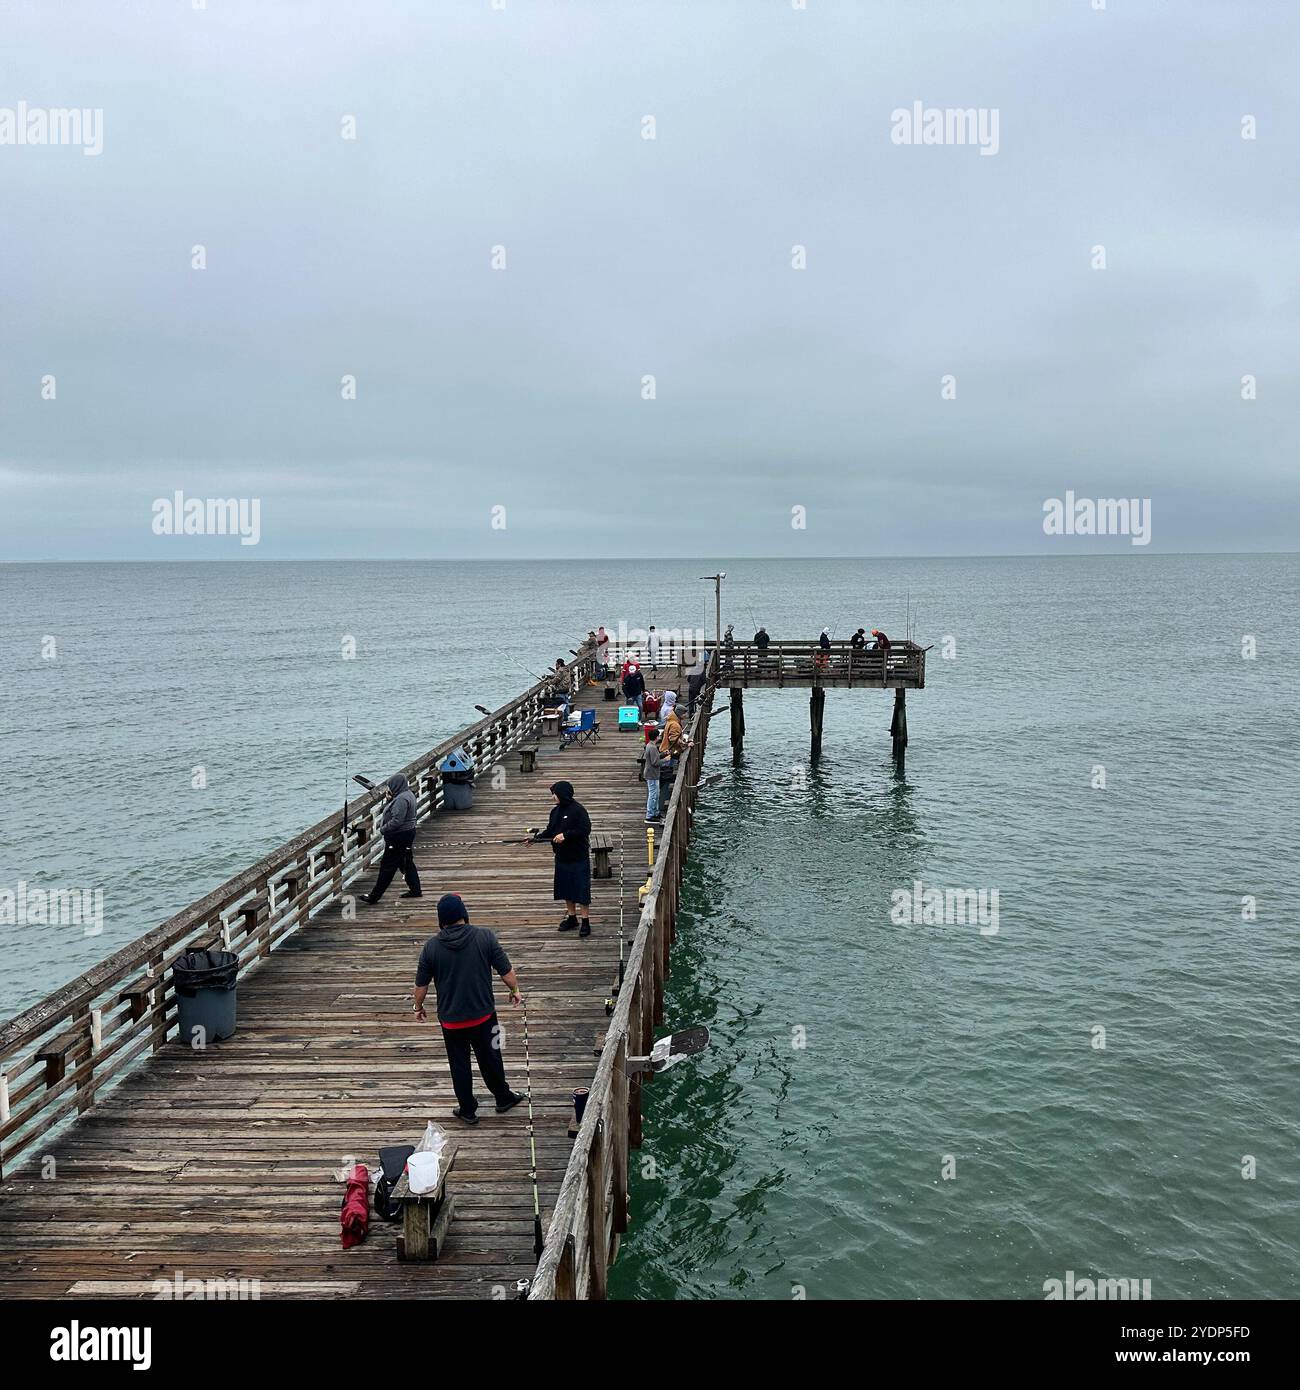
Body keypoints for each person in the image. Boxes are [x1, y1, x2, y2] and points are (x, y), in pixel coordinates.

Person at [413, 893, 524, 1126]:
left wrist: (418, 1007)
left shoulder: (431, 947)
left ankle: (467, 1109)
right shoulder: (485, 937)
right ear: (464, 915)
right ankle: (503, 1097)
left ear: (441, 921)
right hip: (484, 1015)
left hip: (451, 1021)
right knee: (491, 1057)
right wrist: (514, 991)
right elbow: (506, 971)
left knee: (459, 1063)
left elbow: (420, 985)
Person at [530, 781, 593, 936]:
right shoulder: (555, 812)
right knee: (566, 889)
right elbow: (550, 830)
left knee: (582, 890)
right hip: (561, 858)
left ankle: (585, 921)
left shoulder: (578, 810)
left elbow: (585, 829)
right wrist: (535, 839)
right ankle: (572, 918)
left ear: (563, 794)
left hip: (578, 857)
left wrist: (566, 835)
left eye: (555, 794)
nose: (553, 797)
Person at [361, 774, 422, 903]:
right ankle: (416, 890)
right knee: (406, 861)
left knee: (387, 866)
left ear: (396, 786)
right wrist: (389, 800)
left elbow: (397, 821)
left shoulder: (401, 799)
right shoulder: (408, 794)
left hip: (399, 835)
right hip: (407, 833)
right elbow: (395, 812)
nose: (389, 788)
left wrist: (383, 829)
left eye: (390, 786)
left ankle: (374, 896)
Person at [642, 735, 664, 823]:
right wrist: (665, 760)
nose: (659, 737)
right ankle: (650, 815)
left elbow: (655, 757)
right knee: (653, 795)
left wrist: (664, 754)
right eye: (658, 735)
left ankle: (655, 813)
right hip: (652, 775)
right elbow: (655, 762)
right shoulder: (652, 747)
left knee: (656, 794)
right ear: (656, 737)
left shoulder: (649, 745)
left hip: (652, 774)